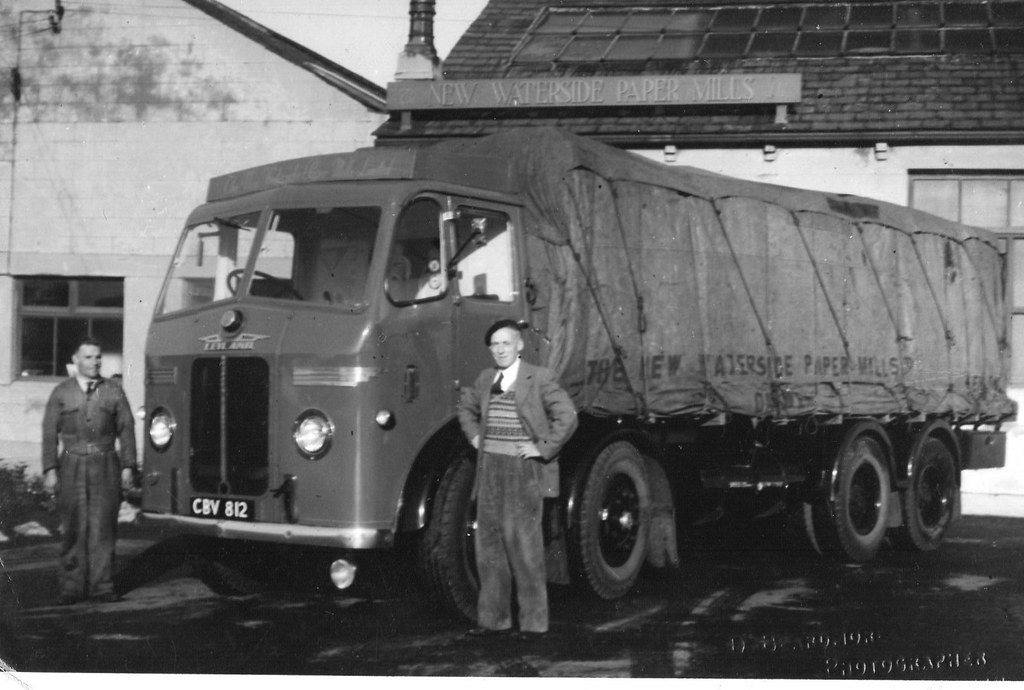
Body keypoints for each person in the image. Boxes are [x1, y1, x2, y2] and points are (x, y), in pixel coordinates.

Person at [457, 319, 578, 639]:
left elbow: (567, 416)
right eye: (494, 344)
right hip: (490, 471)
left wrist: (542, 448)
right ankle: (493, 621)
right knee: (489, 549)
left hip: (523, 472)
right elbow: (465, 409)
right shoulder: (486, 379)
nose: (499, 349)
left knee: (524, 548)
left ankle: (534, 625)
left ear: (520, 345)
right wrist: (473, 437)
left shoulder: (539, 377)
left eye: (505, 343)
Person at [42, 336, 136, 605]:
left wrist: (129, 466)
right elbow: (49, 433)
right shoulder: (61, 392)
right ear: (76, 360)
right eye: (88, 357)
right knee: (73, 527)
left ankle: (102, 587)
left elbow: (127, 430)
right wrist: (50, 468)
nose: (94, 361)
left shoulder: (114, 390)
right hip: (71, 464)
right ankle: (71, 588)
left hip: (106, 464)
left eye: (98, 356)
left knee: (103, 528)